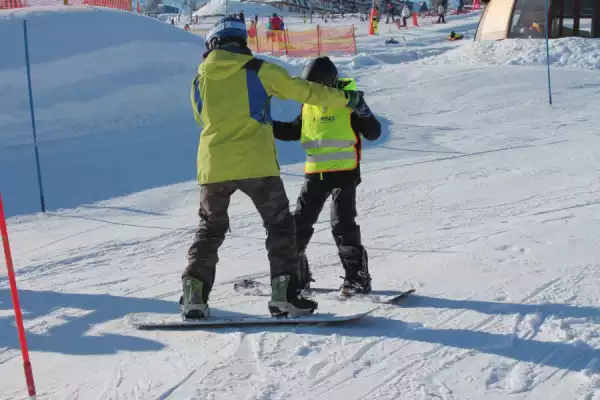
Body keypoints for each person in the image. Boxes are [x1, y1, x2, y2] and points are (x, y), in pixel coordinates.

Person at [181, 17, 366, 320]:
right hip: (257, 165)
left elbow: (201, 117)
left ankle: (194, 296)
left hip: (213, 166)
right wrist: (345, 98)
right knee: (280, 226)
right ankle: (284, 296)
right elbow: (306, 92)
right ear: (241, 43)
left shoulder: (199, 78)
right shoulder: (258, 70)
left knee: (209, 228)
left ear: (213, 45)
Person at [272, 57, 381, 296]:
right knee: (298, 225)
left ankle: (357, 278)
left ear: (327, 83)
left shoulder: (348, 101)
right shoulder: (308, 104)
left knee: (342, 225)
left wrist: (363, 111)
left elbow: (374, 132)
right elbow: (294, 130)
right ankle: (297, 277)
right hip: (315, 173)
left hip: (344, 173)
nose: (310, 92)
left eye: (315, 87)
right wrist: (268, 125)